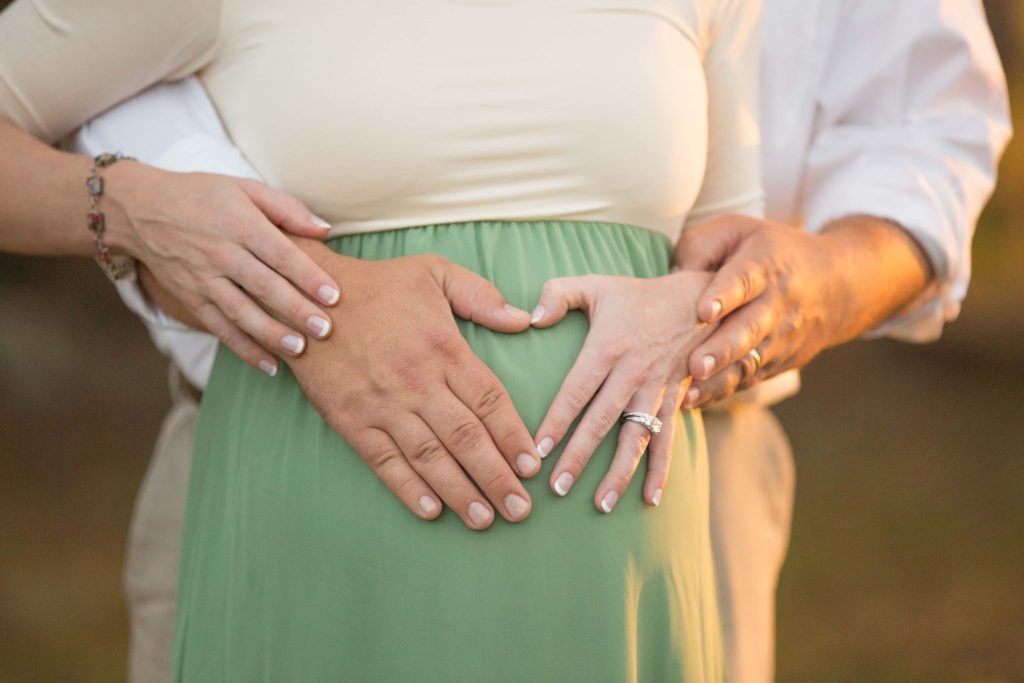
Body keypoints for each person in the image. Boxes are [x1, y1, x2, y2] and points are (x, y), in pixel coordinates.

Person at [0, 1, 1009, 681]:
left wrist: (707, 309)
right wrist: (123, 206)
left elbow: (731, 244)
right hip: (312, 507)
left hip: (633, 543)